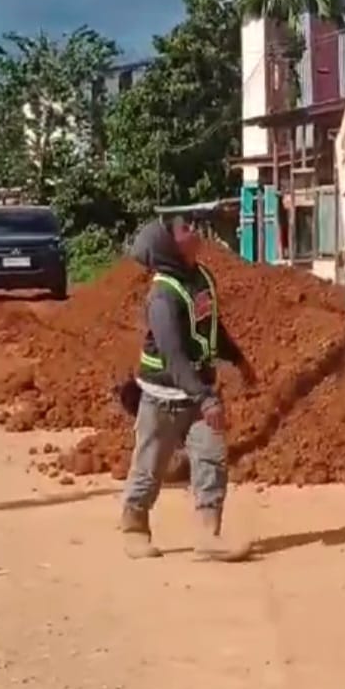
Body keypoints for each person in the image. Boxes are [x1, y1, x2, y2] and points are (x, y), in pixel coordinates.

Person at [120, 216, 254, 562]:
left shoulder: (200, 278)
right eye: (183, 230)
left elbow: (211, 327)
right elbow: (174, 357)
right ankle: (135, 529)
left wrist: (237, 359)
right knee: (150, 466)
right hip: (162, 398)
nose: (192, 231)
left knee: (211, 460)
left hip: (199, 391)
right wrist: (207, 399)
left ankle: (209, 534)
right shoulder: (162, 297)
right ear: (167, 248)